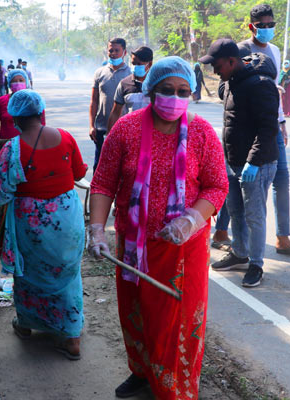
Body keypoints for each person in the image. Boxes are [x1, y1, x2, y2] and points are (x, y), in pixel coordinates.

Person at [88, 56, 228, 399]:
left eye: (182, 91)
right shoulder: (126, 128)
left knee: (176, 323)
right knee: (136, 313)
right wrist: (95, 230)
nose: (174, 97)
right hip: (134, 246)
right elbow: (104, 183)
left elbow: (217, 186)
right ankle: (142, 371)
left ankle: (174, 389)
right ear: (151, 90)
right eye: (167, 90)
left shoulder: (201, 132)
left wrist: (190, 219)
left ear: (191, 94)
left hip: (184, 249)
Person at [0, 89, 89, 359]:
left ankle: (27, 325)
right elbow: (79, 173)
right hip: (67, 217)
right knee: (67, 273)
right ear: (41, 112)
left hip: (31, 222)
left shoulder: (11, 149)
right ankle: (71, 336)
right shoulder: (66, 137)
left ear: (14, 118)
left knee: (29, 273)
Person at [232, 3, 290, 259]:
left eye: (270, 25)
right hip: (248, 128)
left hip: (272, 125)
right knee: (240, 180)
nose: (266, 29)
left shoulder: (275, 51)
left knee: (282, 179)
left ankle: (283, 238)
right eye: (261, 26)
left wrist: (282, 123)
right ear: (251, 26)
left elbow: (273, 92)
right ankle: (227, 237)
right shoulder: (242, 50)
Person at [202, 39, 279, 287]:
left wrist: (253, 161)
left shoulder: (261, 86)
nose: (214, 71)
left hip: (257, 164)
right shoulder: (232, 83)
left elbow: (268, 128)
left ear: (232, 61)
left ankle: (256, 264)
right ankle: (240, 253)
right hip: (234, 162)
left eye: (217, 65)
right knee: (236, 211)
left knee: (255, 216)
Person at [89, 37, 132, 170]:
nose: (113, 53)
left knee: (121, 167)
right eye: (110, 50)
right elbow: (94, 101)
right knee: (100, 166)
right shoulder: (99, 73)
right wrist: (91, 126)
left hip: (124, 130)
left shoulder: (131, 74)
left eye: (116, 50)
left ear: (124, 52)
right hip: (101, 128)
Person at [0, 69, 45, 150]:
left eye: (21, 80)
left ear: (26, 82)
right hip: (6, 147)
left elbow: (42, 126)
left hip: (29, 147)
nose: (18, 83)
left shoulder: (35, 101)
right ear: (9, 84)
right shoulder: (1, 101)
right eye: (14, 81)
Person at [106, 46, 153, 133]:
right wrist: (109, 135)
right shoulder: (124, 84)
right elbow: (116, 112)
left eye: (139, 64)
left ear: (149, 64)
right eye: (133, 63)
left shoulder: (158, 84)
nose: (135, 66)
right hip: (131, 133)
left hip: (152, 133)